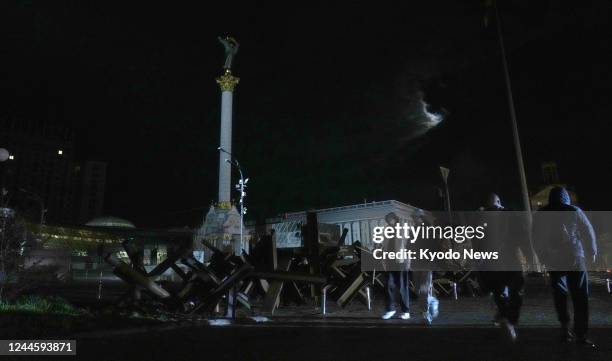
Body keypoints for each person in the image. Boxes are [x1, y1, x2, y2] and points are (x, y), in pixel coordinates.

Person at [533, 186, 597, 348]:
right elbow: (588, 230)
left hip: (553, 259)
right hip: (575, 256)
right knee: (580, 295)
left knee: (560, 294)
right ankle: (581, 334)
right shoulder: (574, 210)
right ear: (566, 197)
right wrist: (592, 251)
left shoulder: (542, 214)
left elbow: (535, 236)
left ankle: (564, 327)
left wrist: (542, 255)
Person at [478, 193, 531, 342]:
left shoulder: (484, 217)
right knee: (513, 291)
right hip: (508, 258)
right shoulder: (509, 215)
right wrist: (528, 254)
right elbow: (523, 235)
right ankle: (509, 319)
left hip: (496, 260)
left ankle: (507, 317)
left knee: (501, 292)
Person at [410, 210, 439, 324]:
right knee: (417, 289)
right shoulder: (413, 230)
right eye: (413, 217)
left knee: (423, 289)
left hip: (427, 263)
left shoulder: (429, 230)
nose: (413, 219)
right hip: (416, 263)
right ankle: (433, 302)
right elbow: (409, 245)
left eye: (415, 217)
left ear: (421, 218)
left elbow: (435, 246)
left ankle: (425, 313)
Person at [381, 212, 411, 320]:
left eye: (390, 219)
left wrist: (408, 261)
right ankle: (390, 309)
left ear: (395, 218)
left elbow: (408, 246)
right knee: (388, 285)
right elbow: (385, 245)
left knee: (402, 286)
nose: (388, 222)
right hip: (389, 261)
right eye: (387, 220)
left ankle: (406, 311)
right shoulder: (387, 230)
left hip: (401, 261)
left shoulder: (403, 228)